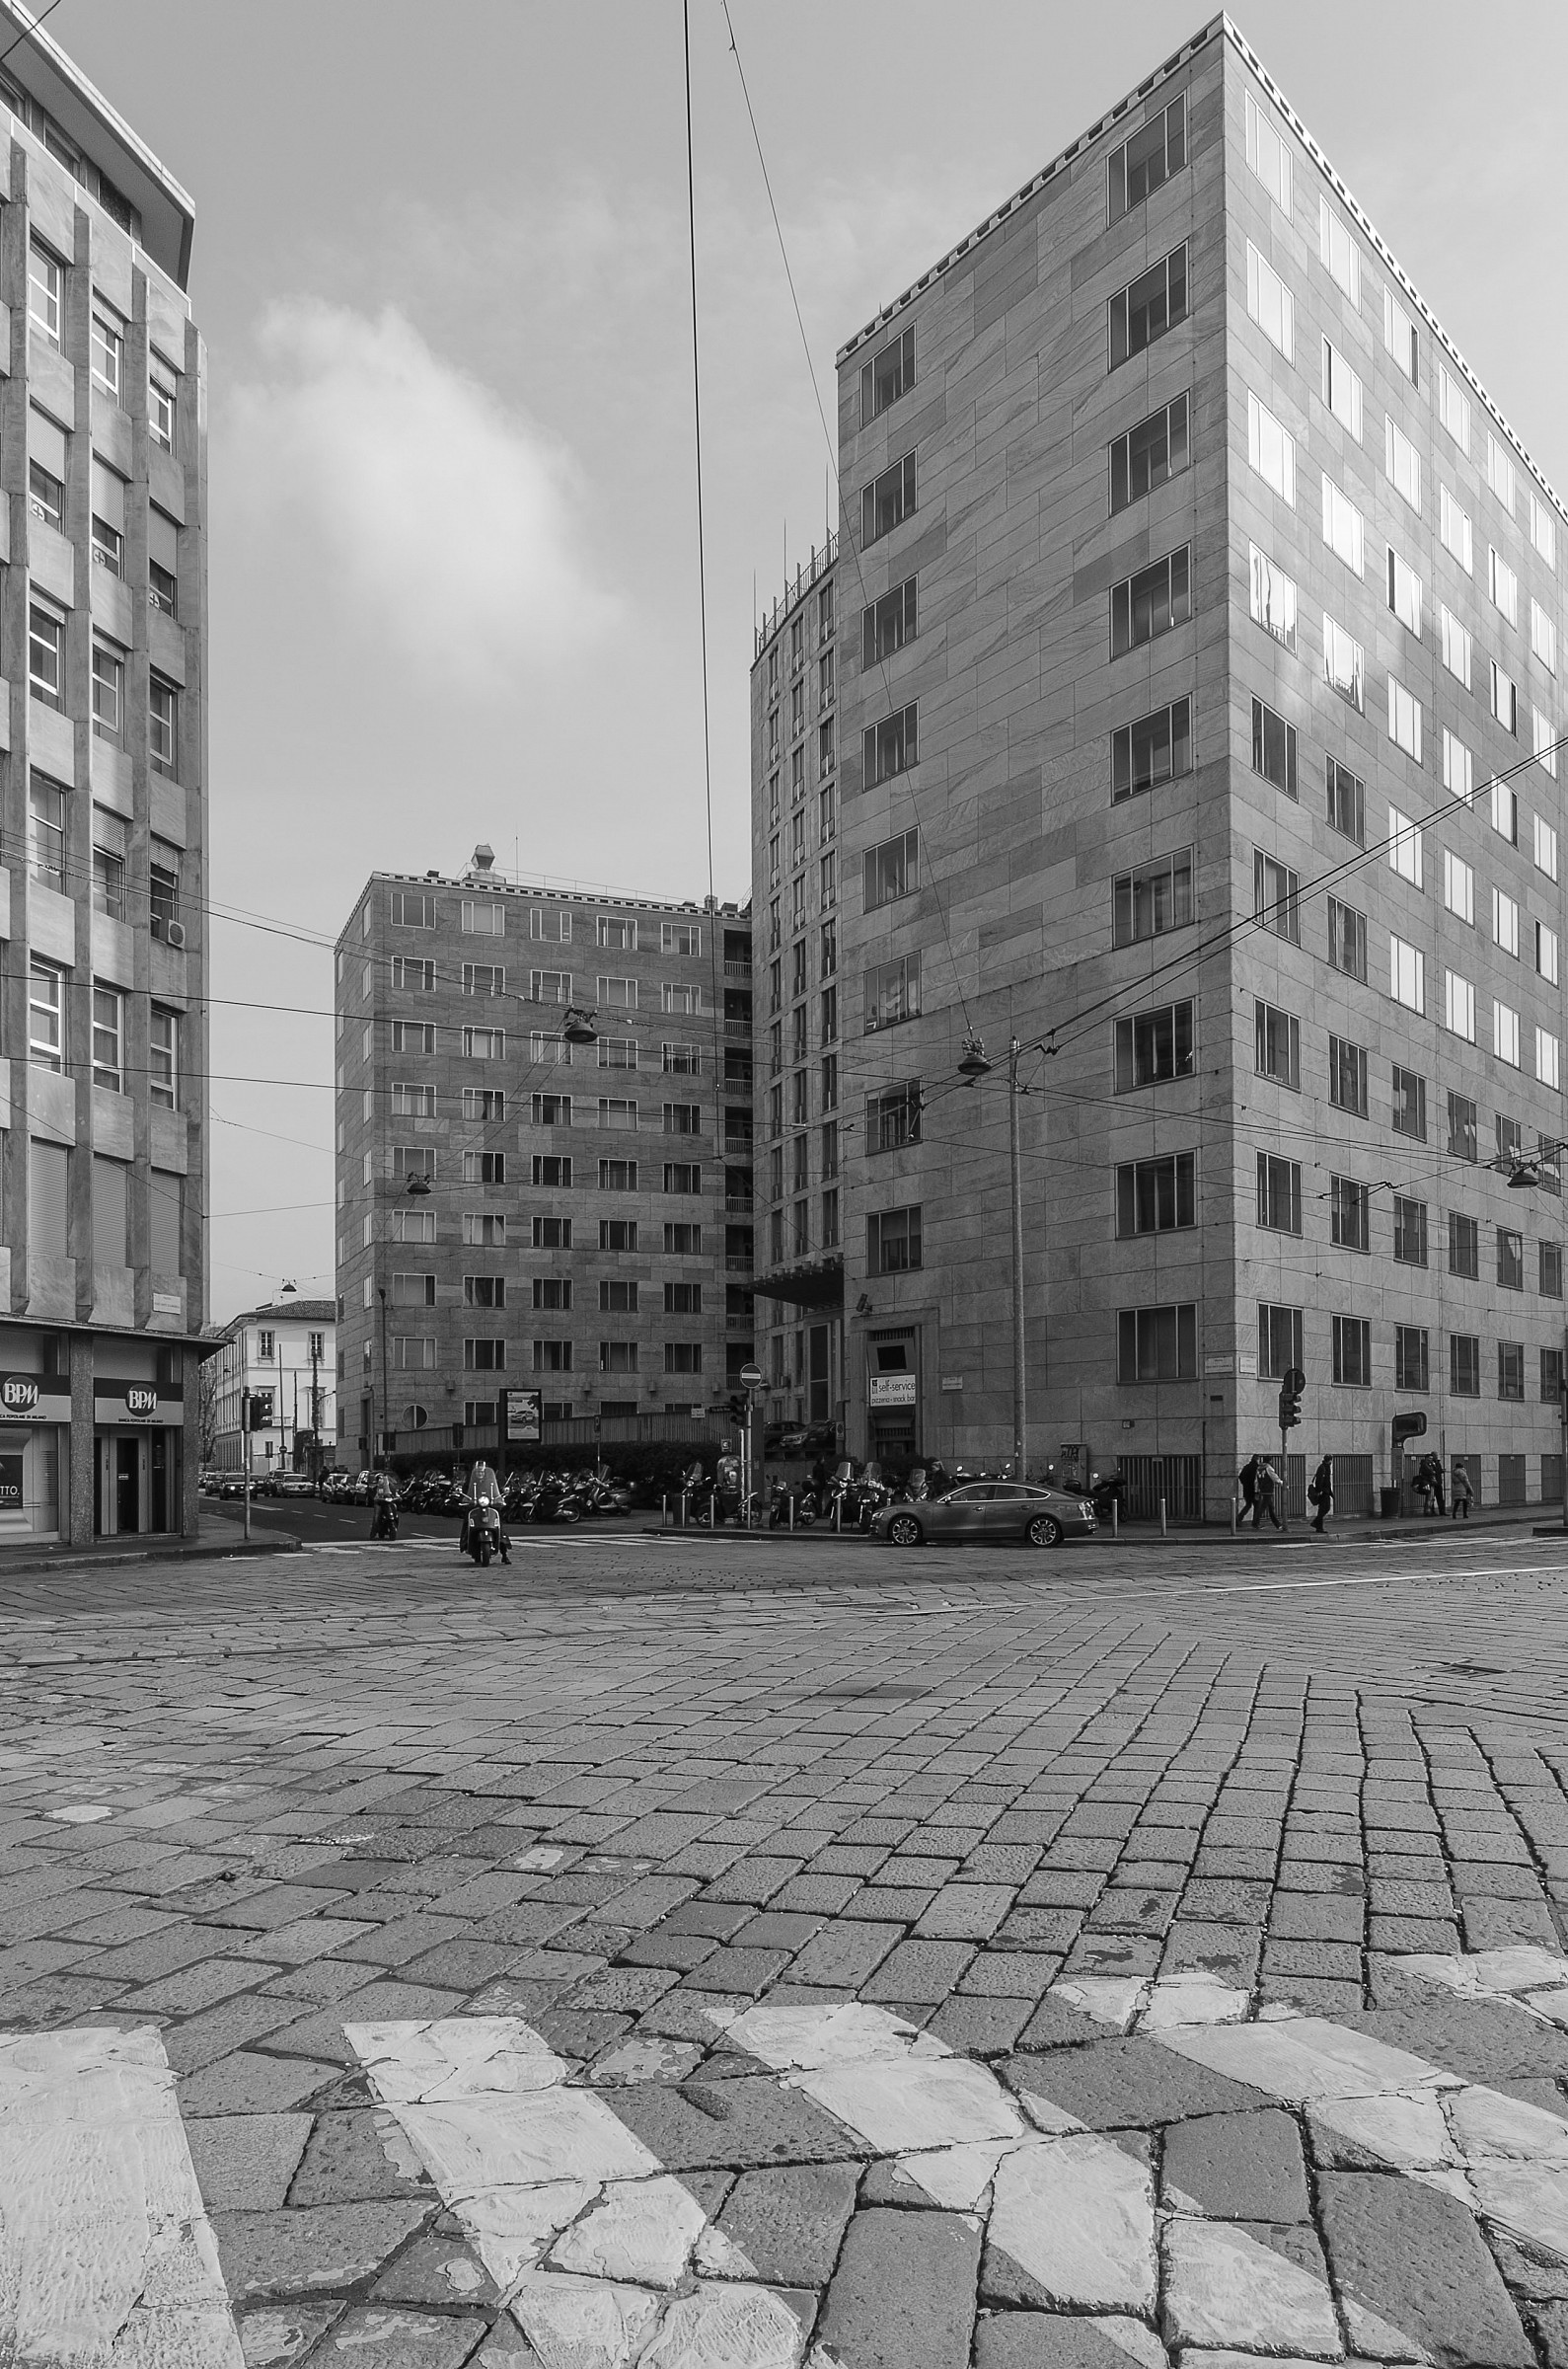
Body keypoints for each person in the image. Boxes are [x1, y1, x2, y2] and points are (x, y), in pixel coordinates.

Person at [461, 1456, 510, 1564]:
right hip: (475, 1506)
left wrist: (499, 1498)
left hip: (490, 1506)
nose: (480, 1474)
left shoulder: (491, 1482)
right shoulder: (470, 1482)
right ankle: (465, 1542)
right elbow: (465, 1492)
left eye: (482, 1472)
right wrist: (466, 1499)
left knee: (499, 1525)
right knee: (467, 1522)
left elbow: (498, 1491)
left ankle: (504, 1552)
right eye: (478, 1472)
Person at [1253, 1456, 1283, 1529]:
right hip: (1268, 1490)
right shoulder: (1268, 1468)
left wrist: (1257, 1490)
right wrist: (1282, 1483)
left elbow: (1256, 1480)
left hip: (1262, 1489)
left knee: (1270, 1507)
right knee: (1264, 1507)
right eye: (1271, 1460)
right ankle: (1255, 1523)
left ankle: (1277, 1525)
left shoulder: (1259, 1468)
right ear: (1269, 1461)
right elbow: (1274, 1477)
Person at [371, 1465, 399, 1540]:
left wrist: (398, 1498)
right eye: (379, 1479)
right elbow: (374, 1496)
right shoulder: (376, 1488)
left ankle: (394, 1523)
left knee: (395, 1510)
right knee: (377, 1517)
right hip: (379, 1503)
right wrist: (377, 1499)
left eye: (381, 1479)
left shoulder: (390, 1486)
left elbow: (395, 1494)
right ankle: (374, 1529)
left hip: (389, 1503)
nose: (380, 1480)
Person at [1308, 1453, 1333, 1535]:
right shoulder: (1322, 1468)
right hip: (1323, 1492)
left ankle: (1317, 1525)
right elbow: (1320, 1481)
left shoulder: (1326, 1467)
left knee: (1324, 1509)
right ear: (1329, 1460)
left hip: (1326, 1491)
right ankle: (1317, 1525)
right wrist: (1321, 1490)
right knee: (1324, 1509)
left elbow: (1326, 1481)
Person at [1238, 1455, 1260, 1519]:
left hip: (1246, 1489)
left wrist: (1245, 1484)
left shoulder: (1246, 1467)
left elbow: (1240, 1476)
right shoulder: (1257, 1468)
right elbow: (1257, 1480)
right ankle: (1255, 1522)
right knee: (1257, 1506)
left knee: (1248, 1505)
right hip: (1254, 1490)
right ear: (1257, 1460)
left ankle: (1239, 1517)